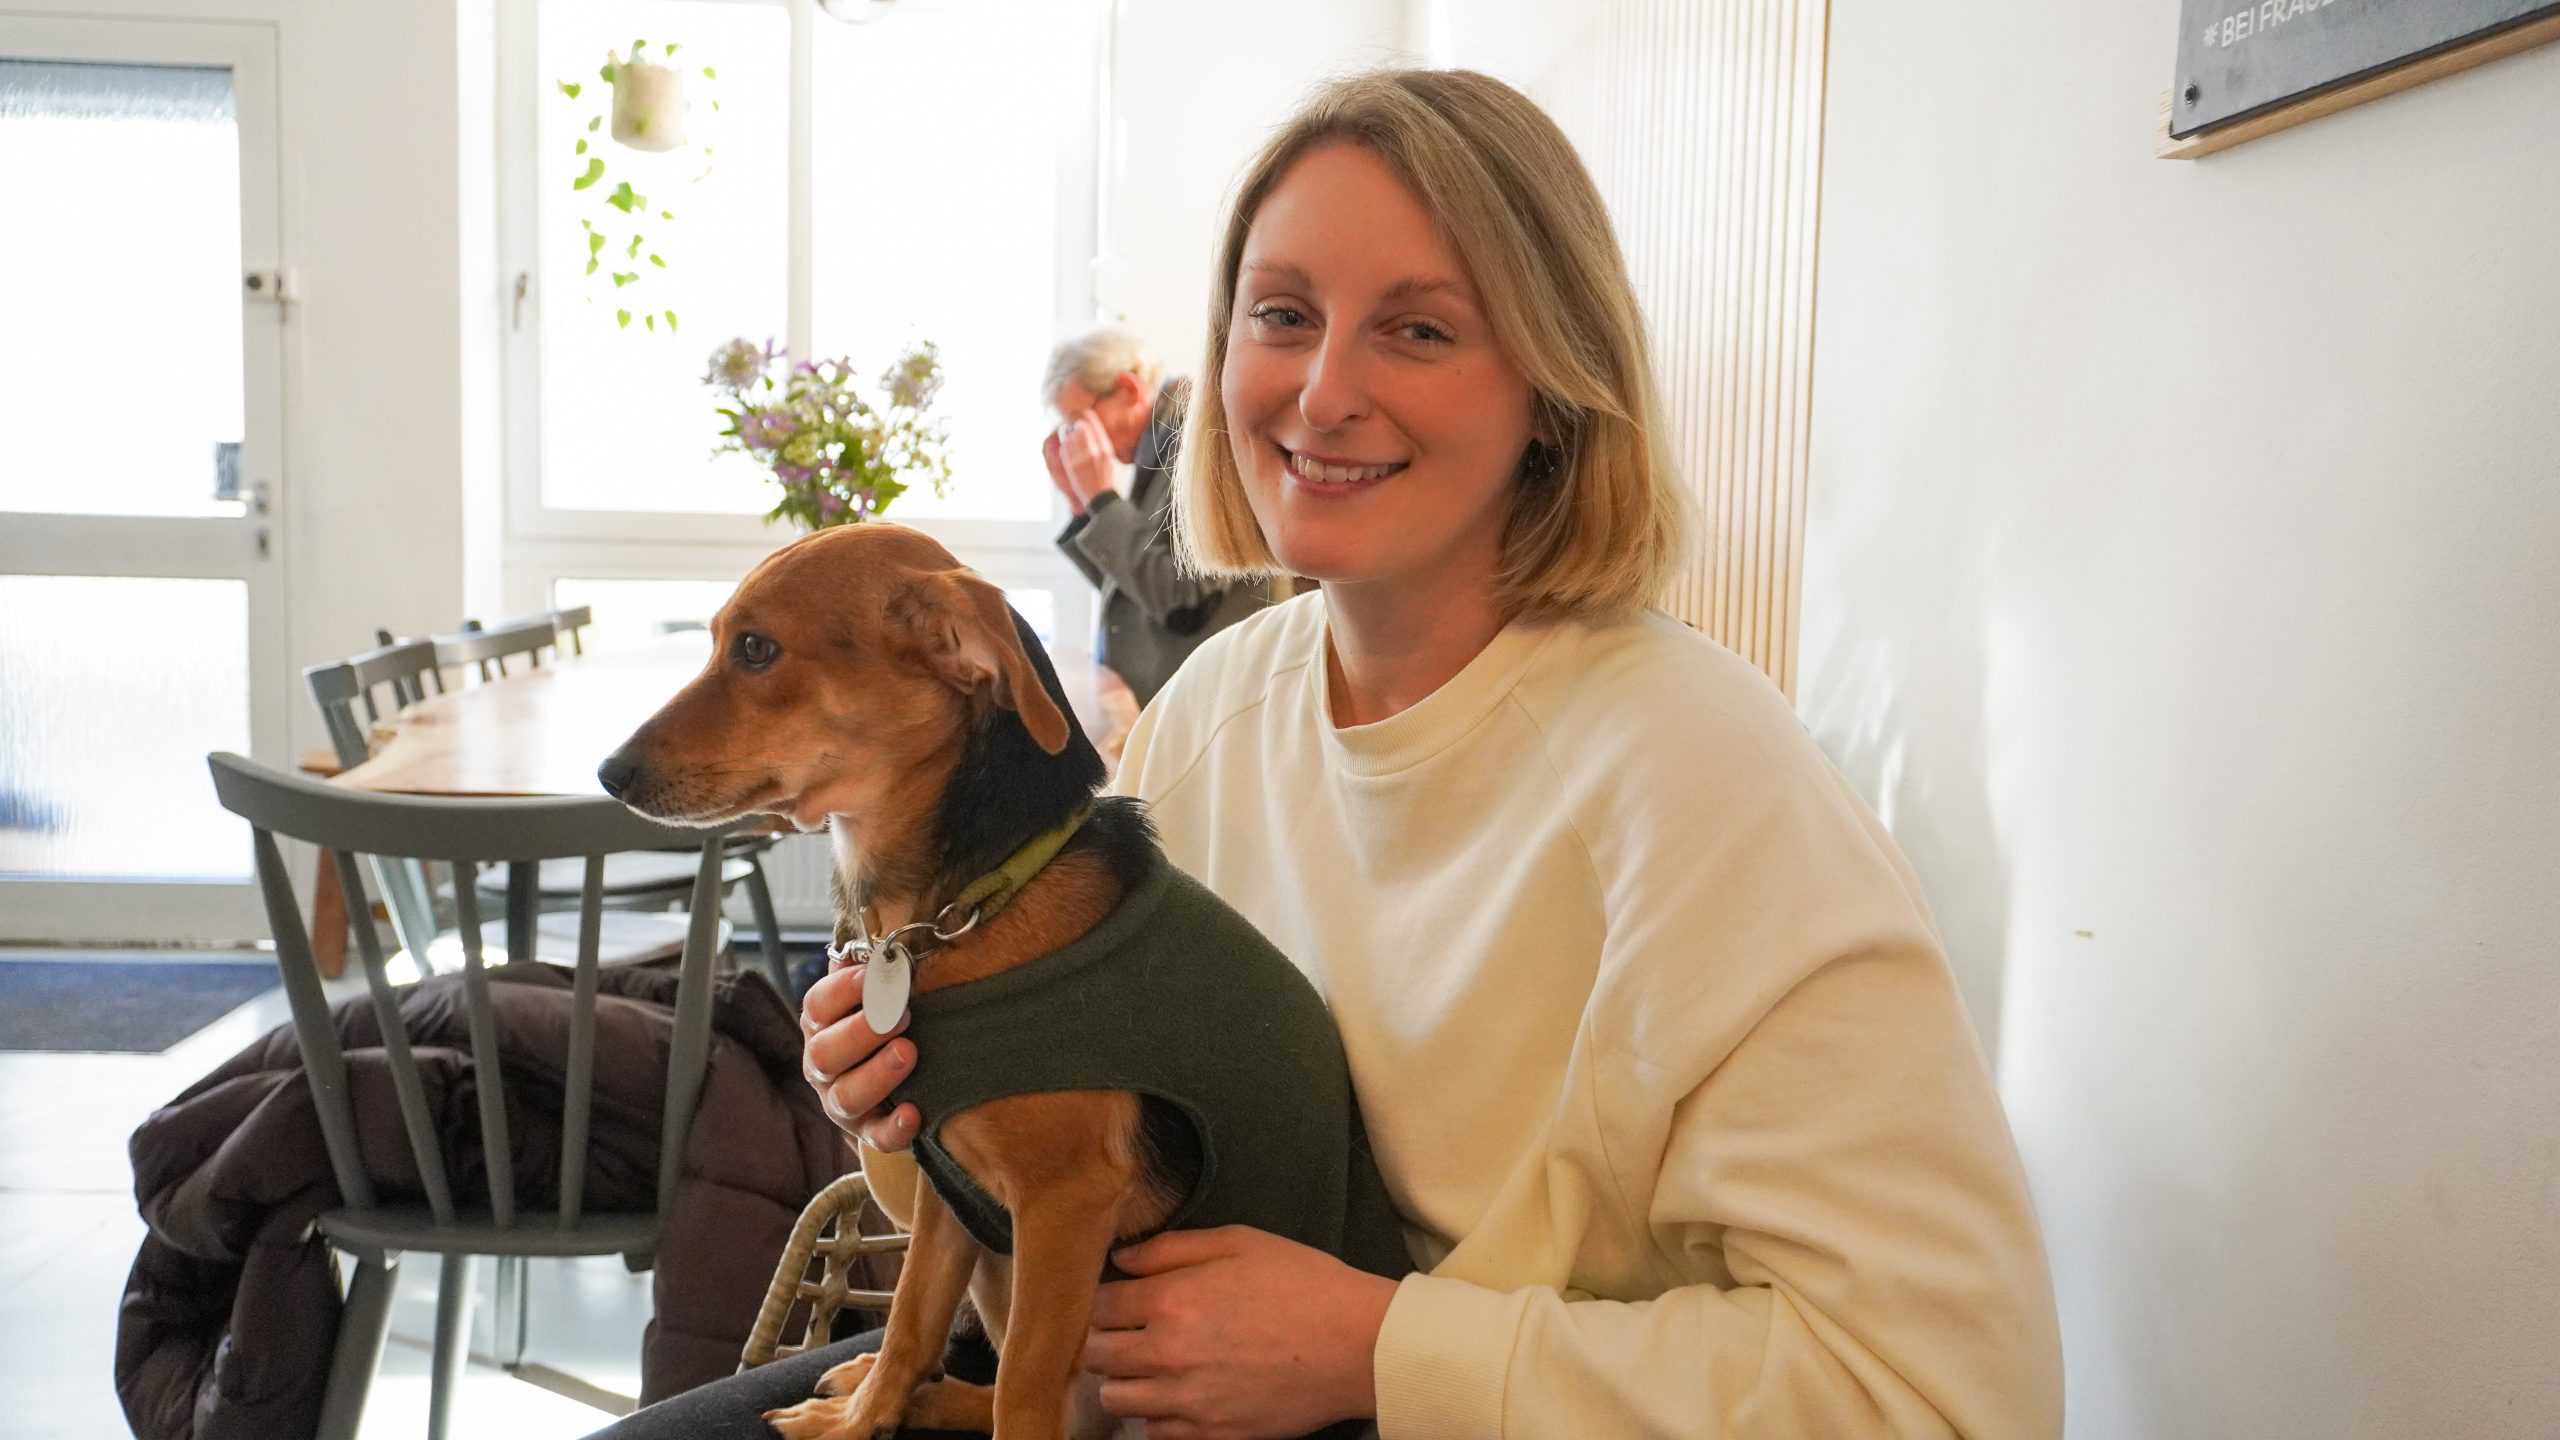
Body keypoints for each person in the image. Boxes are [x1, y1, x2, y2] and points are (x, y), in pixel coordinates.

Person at [592, 67, 2061, 1440]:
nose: (1321, 392)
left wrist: (1381, 1346)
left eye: (1417, 328)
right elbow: (1053, 1185)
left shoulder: (1711, 786)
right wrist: (907, 1114)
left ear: (1552, 393)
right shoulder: (1215, 716)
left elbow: (1947, 1388)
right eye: (1281, 315)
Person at [1044, 327, 1270, 707]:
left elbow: (1185, 603)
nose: (1076, 439)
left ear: (1129, 391)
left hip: (1215, 705)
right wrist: (1083, 505)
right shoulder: (1161, 446)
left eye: (1079, 421)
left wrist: (1101, 497)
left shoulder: (1204, 439)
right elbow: (1135, 591)